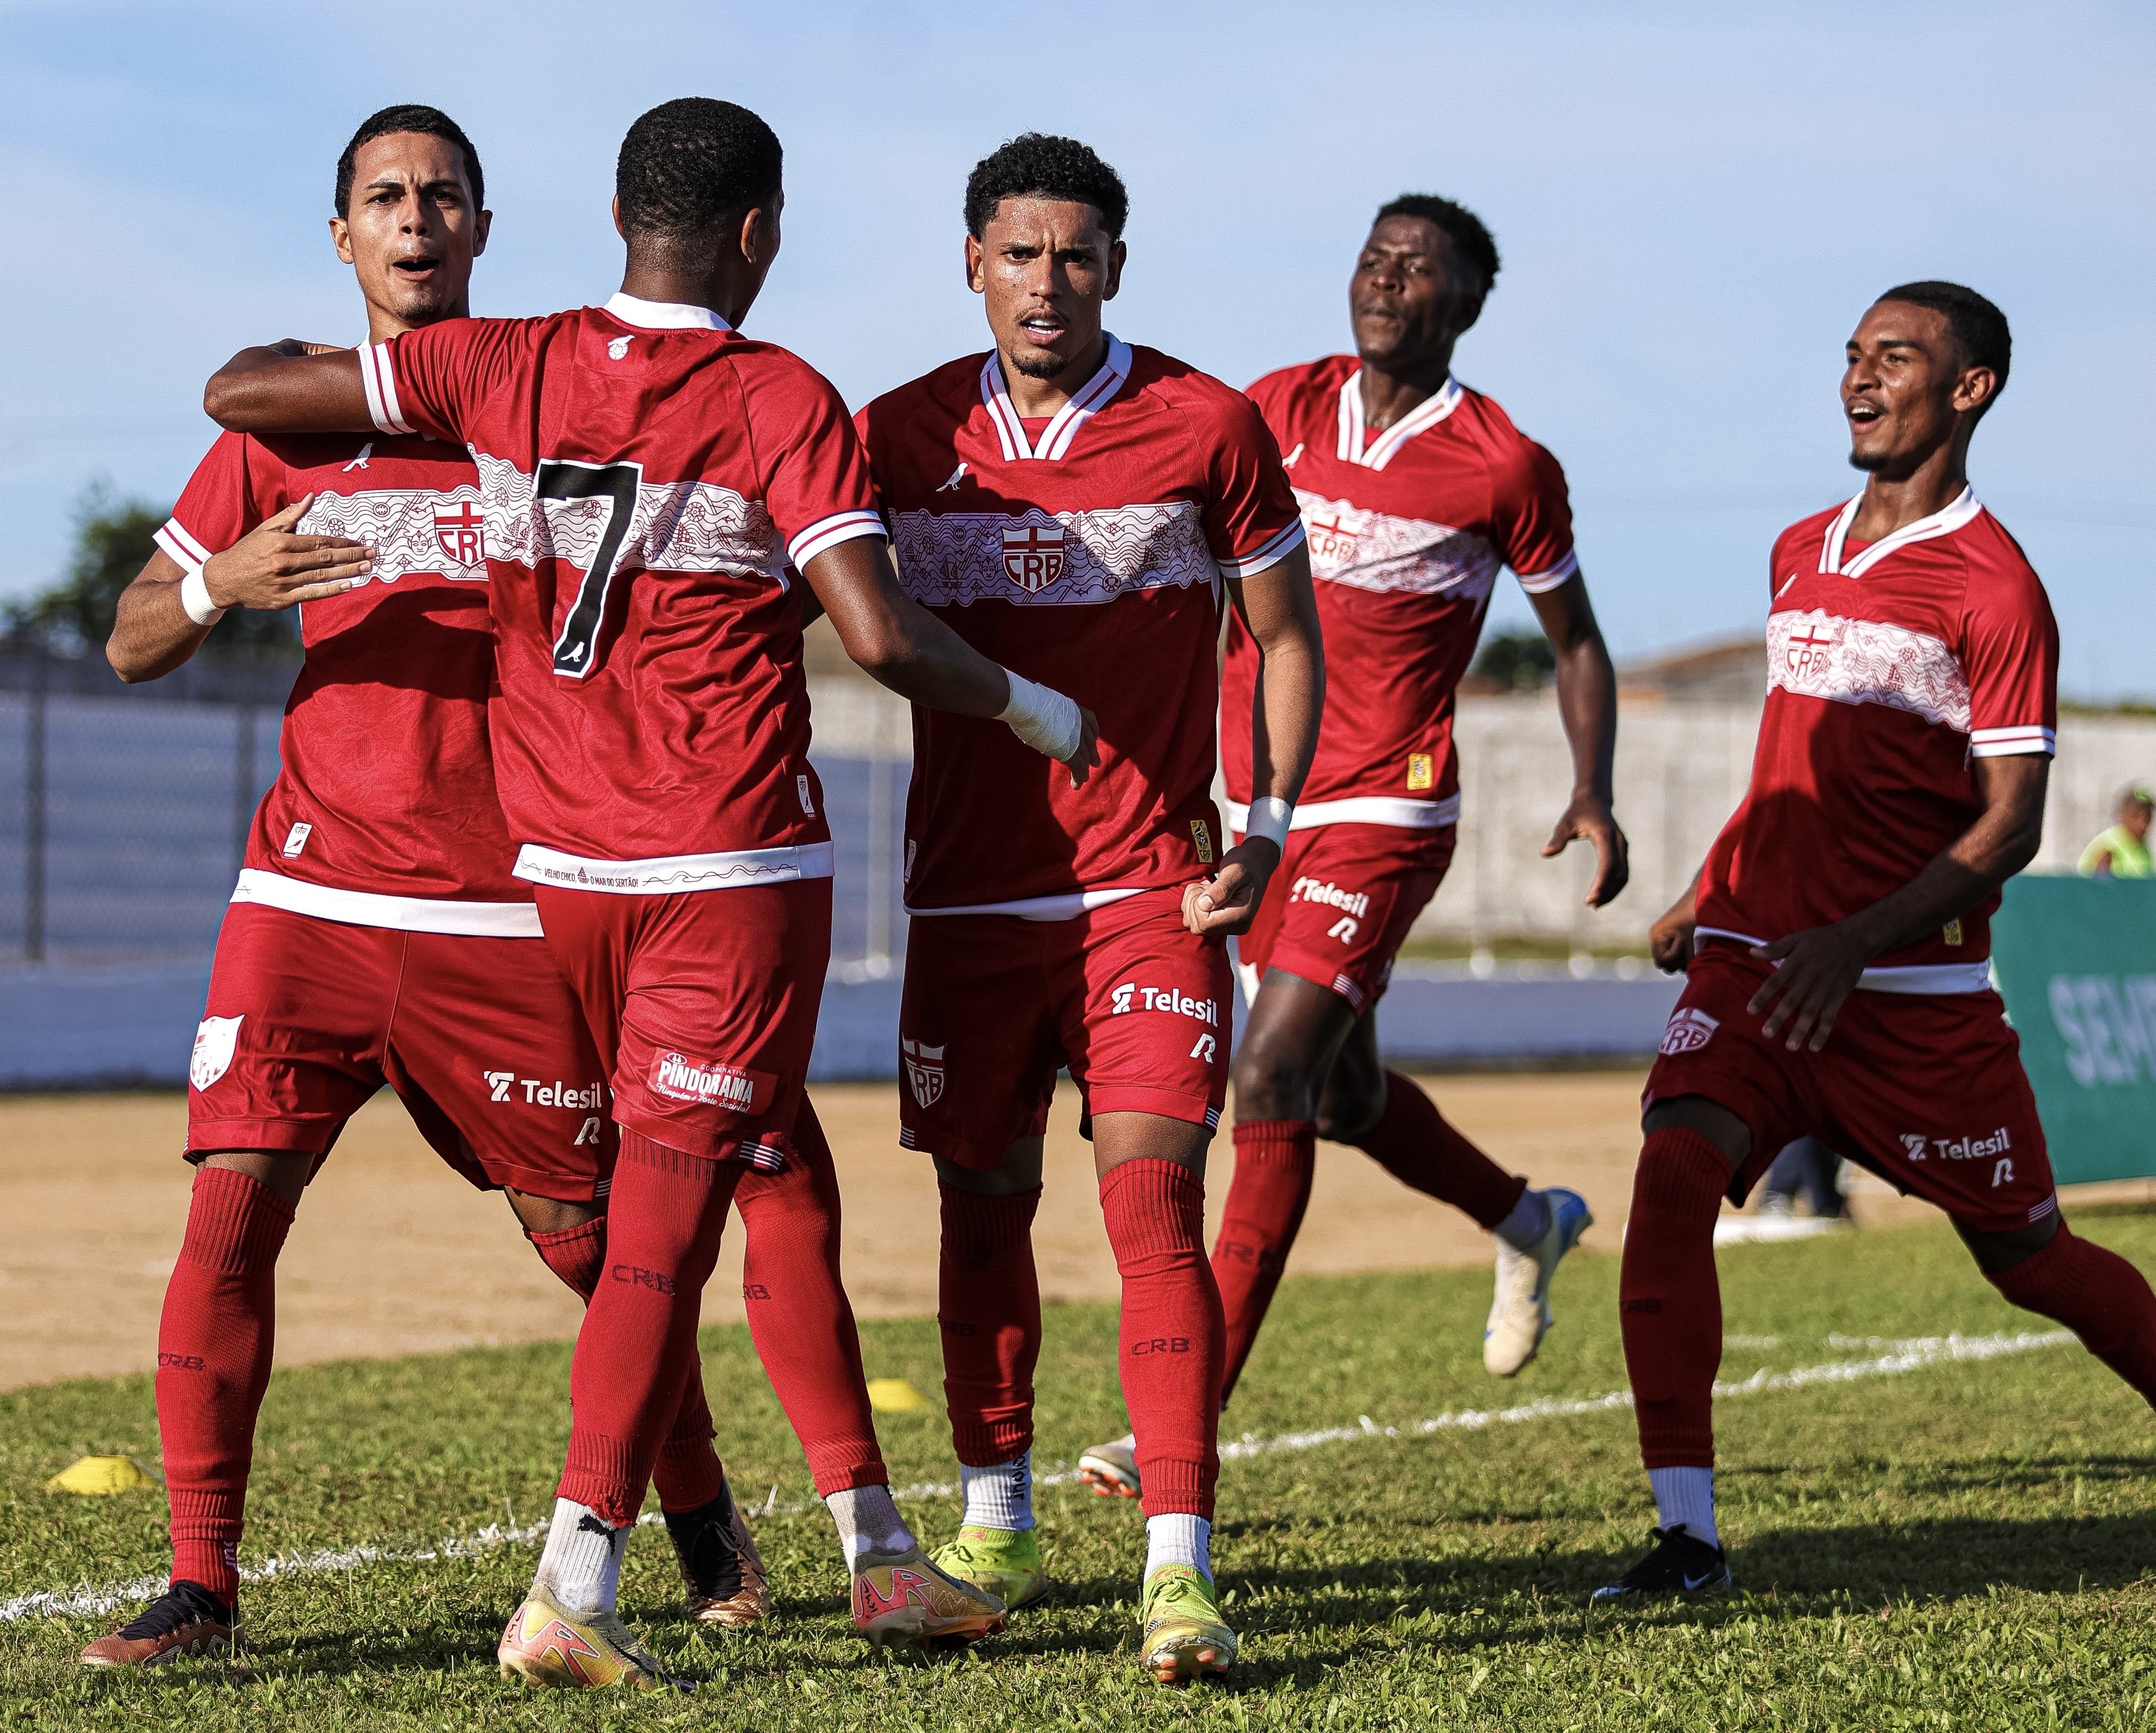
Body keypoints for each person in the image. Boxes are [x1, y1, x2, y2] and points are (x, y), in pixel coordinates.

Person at [200, 98, 1099, 1689]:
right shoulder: (775, 393)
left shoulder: (506, 361)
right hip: (724, 863)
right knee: (658, 1228)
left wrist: (330, 383)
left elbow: (242, 390)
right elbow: (880, 638)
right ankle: (574, 1577)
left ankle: (880, 1554)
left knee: (779, 1171)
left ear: (618, 216)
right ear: (757, 232)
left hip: (562, 875)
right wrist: (1039, 712)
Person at [76, 104, 773, 1667]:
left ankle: (697, 1503)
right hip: (306, 900)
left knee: (597, 1246)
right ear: (343, 238)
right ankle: (201, 1580)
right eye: (384, 198)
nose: (414, 217)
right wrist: (214, 580)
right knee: (230, 1211)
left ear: (481, 230)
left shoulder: (535, 403)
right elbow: (127, 637)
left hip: (508, 906)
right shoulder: (274, 435)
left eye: (443, 195)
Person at [1598, 282, 2156, 1601]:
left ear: (1971, 391)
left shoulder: (1999, 588)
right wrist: (1710, 882)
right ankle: (1690, 1535)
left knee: (2031, 1260)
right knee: (1674, 1171)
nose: (1860, 380)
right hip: (1757, 963)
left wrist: (1856, 941)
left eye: (1895, 360)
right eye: (1851, 356)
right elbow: (1790, 758)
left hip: (1913, 997)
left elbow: (2015, 822)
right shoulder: (1798, 546)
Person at [855, 133, 1323, 1684]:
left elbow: (1284, 631)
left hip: (1148, 887)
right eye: (1017, 252)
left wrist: (1263, 820)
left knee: (1150, 1204)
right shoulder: (894, 435)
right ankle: (991, 1516)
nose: (1045, 280)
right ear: (970, 264)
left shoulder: (1206, 422)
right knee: (979, 1207)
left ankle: (1176, 1566)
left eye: (1073, 253)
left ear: (1113, 266)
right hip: (968, 899)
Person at [1075, 194, 1625, 1510]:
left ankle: (1182, 1419)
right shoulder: (1271, 407)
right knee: (1341, 1093)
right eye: (1374, 258)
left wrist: (1595, 790)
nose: (1386, 281)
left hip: (1387, 805)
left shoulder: (1505, 464)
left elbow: (1580, 642)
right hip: (1257, 805)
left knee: (1267, 1077)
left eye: (1418, 268)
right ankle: (1525, 1217)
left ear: (1467, 304)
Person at [2079, 783, 2154, 877]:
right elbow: (2093, 887)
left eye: (2147, 817)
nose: (2143, 823)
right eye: (2136, 816)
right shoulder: (2107, 846)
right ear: (2123, 815)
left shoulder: (2142, 848)